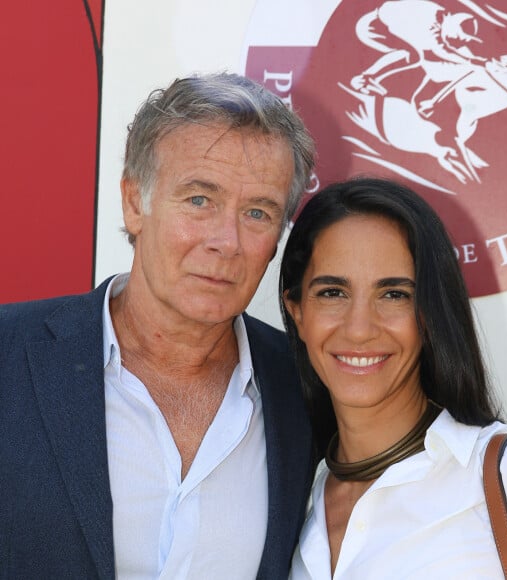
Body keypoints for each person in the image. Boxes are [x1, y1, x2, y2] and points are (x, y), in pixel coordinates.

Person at [0, 73, 316, 579]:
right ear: (134, 202)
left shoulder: (307, 388)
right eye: (199, 200)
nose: (227, 241)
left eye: (257, 212)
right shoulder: (9, 355)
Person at [280, 177, 507, 579]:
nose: (359, 329)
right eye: (333, 292)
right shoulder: (291, 507)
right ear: (297, 311)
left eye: (394, 294)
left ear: (430, 314)